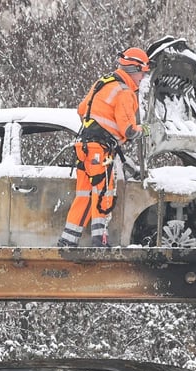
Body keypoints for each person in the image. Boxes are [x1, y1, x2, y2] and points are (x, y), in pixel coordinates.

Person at [58, 47, 150, 247]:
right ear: (134, 68)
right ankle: (100, 239)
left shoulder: (104, 82)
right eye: (143, 72)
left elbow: (82, 110)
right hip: (100, 150)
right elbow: (129, 130)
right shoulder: (125, 92)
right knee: (103, 192)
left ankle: (68, 241)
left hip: (84, 147)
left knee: (84, 194)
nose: (143, 77)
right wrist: (147, 130)